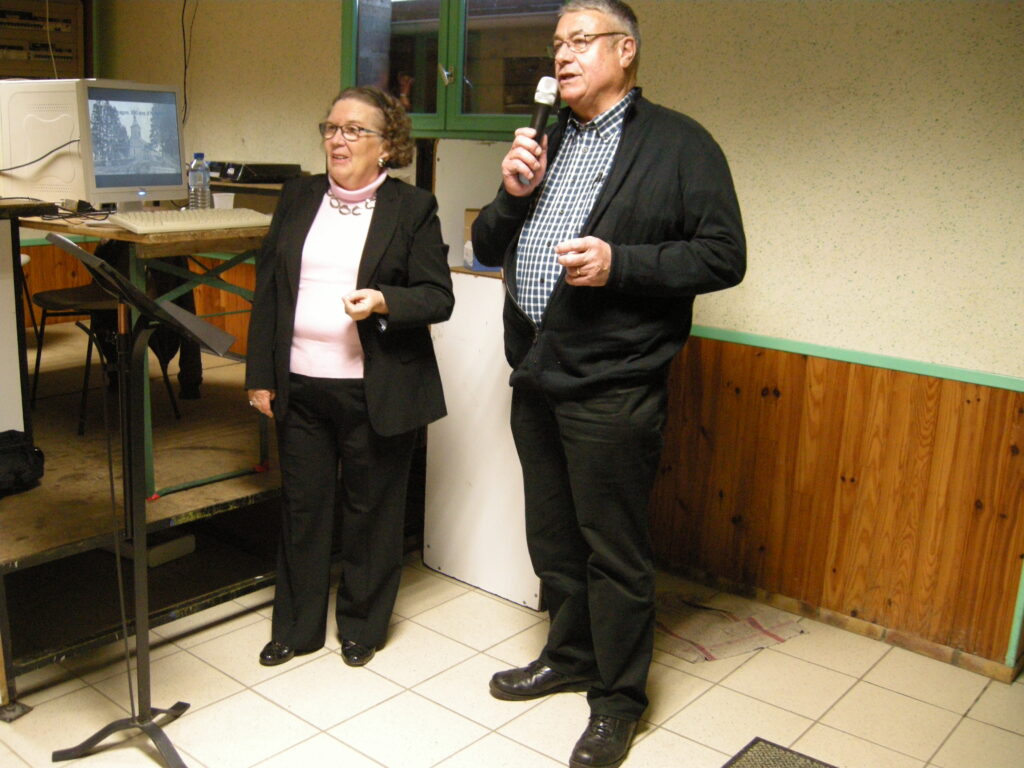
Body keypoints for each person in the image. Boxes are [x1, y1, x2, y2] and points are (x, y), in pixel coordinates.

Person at [471, 2, 745, 766]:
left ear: (625, 52)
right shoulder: (545, 139)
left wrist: (622, 264)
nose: (562, 55)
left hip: (613, 384)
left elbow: (724, 255)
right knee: (553, 537)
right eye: (556, 43)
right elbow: (487, 246)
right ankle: (570, 654)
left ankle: (618, 700)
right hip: (535, 371)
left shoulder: (680, 143)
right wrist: (511, 193)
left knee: (613, 550)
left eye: (579, 41)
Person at [245, 86, 453, 669]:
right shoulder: (298, 196)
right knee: (303, 509)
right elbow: (270, 289)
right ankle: (296, 627)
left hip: (375, 387)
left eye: (354, 130)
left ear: (387, 146)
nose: (338, 139)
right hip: (300, 384)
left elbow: (439, 296)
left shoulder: (413, 208)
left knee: (372, 513)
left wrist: (385, 301)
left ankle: (361, 626)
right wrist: (260, 374)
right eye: (331, 128)